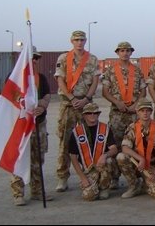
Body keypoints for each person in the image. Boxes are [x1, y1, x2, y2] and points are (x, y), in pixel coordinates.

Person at [54, 30, 100, 192]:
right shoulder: (63, 58)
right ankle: (62, 177)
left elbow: (95, 81)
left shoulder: (92, 59)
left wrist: (86, 99)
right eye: (76, 40)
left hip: (87, 106)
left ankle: (90, 174)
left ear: (85, 41)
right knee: (65, 142)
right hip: (69, 104)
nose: (79, 42)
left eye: (82, 39)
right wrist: (72, 98)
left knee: (89, 141)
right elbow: (60, 80)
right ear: (71, 41)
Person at [10, 46, 53, 206]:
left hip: (39, 124)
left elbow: (47, 95)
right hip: (21, 125)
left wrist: (41, 105)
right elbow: (10, 96)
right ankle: (18, 193)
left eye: (36, 58)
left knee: (38, 159)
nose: (34, 60)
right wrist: (25, 104)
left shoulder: (41, 78)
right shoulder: (15, 77)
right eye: (31, 57)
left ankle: (37, 191)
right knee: (20, 158)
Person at [102, 41, 147, 189]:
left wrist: (136, 105)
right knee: (115, 145)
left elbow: (142, 91)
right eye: (122, 51)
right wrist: (117, 102)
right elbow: (105, 91)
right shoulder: (111, 71)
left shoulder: (137, 70)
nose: (125, 53)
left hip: (133, 113)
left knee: (136, 145)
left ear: (131, 53)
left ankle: (136, 177)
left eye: (128, 50)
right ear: (117, 53)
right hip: (117, 114)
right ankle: (115, 177)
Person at [117, 98, 155, 199]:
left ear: (151, 111)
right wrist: (141, 159)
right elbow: (125, 148)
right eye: (142, 111)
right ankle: (134, 185)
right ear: (137, 112)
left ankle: (146, 184)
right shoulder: (132, 127)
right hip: (137, 164)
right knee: (121, 157)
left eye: (147, 110)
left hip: (152, 165)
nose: (145, 113)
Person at [68, 103, 118, 201]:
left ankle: (104, 188)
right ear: (84, 115)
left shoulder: (105, 128)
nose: (92, 115)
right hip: (88, 170)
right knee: (89, 196)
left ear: (98, 114)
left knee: (109, 161)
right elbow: (73, 157)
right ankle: (93, 186)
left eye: (95, 113)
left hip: (102, 166)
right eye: (89, 113)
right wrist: (83, 178)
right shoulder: (77, 132)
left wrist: (105, 155)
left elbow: (114, 149)